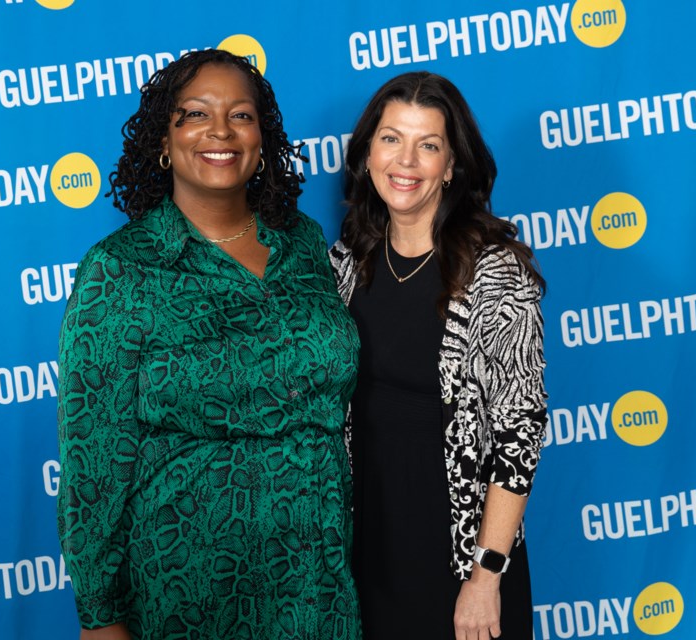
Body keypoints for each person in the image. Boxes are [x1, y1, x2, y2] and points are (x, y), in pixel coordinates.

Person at [57, 49, 362, 640]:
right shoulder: (120, 270)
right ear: (163, 142)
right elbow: (93, 462)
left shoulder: (303, 243)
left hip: (316, 582)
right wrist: (100, 620)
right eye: (195, 114)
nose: (220, 130)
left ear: (262, 139)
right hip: (188, 587)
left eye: (241, 116)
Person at [329, 71, 548, 640]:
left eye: (428, 145)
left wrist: (486, 576)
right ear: (368, 151)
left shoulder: (495, 271)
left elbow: (520, 432)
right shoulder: (347, 263)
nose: (406, 160)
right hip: (369, 553)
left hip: (460, 563)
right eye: (391, 138)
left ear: (451, 166)